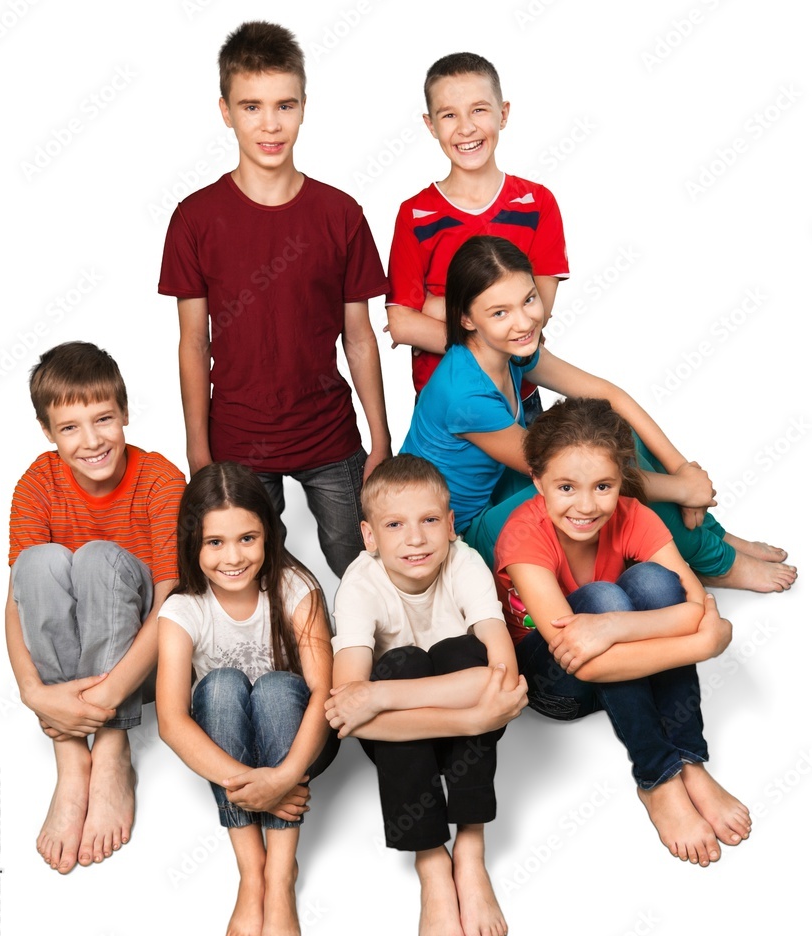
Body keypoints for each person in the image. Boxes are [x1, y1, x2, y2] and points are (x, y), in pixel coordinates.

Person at [401, 235, 796, 592]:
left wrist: (683, 470)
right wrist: (680, 489)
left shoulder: (507, 348)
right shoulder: (464, 395)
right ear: (468, 319)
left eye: (528, 300)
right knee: (596, 470)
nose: (523, 321)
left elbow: (610, 396)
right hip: (465, 533)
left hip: (496, 488)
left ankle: (711, 536)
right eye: (500, 312)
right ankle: (717, 562)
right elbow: (565, 475)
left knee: (611, 432)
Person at [158, 20, 391, 578]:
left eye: (284, 105)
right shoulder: (195, 217)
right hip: (237, 438)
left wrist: (379, 435)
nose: (270, 124)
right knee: (255, 579)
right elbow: (194, 342)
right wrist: (197, 448)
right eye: (252, 106)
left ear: (304, 107)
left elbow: (358, 337)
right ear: (225, 110)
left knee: (364, 563)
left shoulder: (340, 214)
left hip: (330, 433)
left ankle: (385, 662)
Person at [493, 396, 751, 865]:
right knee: (599, 598)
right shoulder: (522, 533)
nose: (586, 506)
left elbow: (695, 604)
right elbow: (582, 653)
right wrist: (703, 644)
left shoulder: (633, 515)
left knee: (650, 582)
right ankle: (658, 779)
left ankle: (689, 760)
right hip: (559, 685)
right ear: (538, 482)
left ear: (620, 483)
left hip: (622, 664)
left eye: (603, 486)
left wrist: (615, 627)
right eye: (566, 487)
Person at [325, 455, 527, 936]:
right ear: (369, 537)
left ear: (451, 525)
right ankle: (432, 862)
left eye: (429, 521)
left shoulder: (464, 563)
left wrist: (380, 696)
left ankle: (471, 848)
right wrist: (465, 718)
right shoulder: (359, 585)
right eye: (395, 525)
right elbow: (348, 712)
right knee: (400, 662)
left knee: (462, 651)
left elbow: (500, 677)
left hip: (437, 717)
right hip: (409, 739)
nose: (415, 539)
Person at [5, 342, 186, 874]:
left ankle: (110, 750)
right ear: (47, 432)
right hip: (66, 677)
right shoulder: (37, 483)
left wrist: (106, 698)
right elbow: (15, 603)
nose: (92, 441)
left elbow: (171, 602)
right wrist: (34, 694)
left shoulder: (159, 479)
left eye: (104, 419)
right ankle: (69, 754)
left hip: (142, 665)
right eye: (70, 428)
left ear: (125, 413)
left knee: (99, 558)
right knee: (35, 563)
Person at [157, 462, 337, 936]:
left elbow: (324, 691)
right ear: (193, 544)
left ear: (268, 534)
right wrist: (253, 784)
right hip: (229, 752)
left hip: (302, 741)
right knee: (217, 686)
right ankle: (251, 870)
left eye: (247, 539)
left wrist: (283, 777)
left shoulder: (296, 587)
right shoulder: (182, 610)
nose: (232, 557)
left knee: (280, 687)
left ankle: (280, 875)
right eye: (215, 542)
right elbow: (171, 721)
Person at [386, 51, 569, 421]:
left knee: (531, 479)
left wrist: (438, 305)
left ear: (503, 114)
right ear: (430, 124)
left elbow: (538, 313)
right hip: (444, 399)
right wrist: (502, 331)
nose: (465, 128)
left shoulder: (537, 203)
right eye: (449, 114)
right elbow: (403, 324)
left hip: (520, 394)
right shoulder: (415, 214)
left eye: (479, 110)